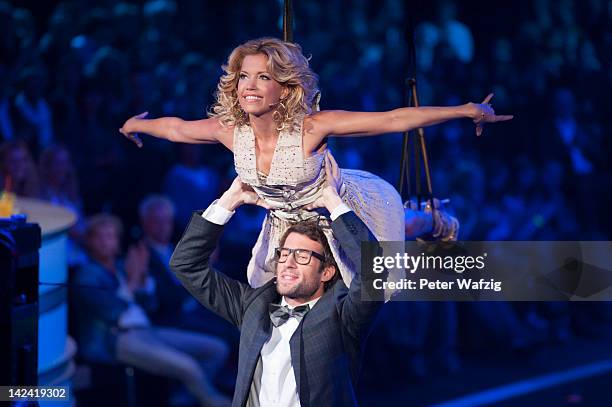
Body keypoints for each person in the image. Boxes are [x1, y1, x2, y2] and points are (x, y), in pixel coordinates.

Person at [121, 37, 512, 289]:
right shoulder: (230, 131)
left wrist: (465, 110)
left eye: (263, 77)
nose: (250, 86)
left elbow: (393, 120)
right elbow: (176, 128)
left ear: (284, 88)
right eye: (244, 77)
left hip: (338, 206)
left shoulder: (311, 128)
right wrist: (137, 124)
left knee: (397, 227)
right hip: (287, 225)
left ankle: (434, 218)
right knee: (273, 290)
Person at [169, 152, 384, 406]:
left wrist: (333, 202)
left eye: (302, 255)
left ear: (327, 272)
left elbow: (373, 270)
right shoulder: (253, 306)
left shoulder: (343, 314)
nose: (288, 263)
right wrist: (230, 200)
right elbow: (185, 264)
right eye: (284, 253)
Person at [72, 213, 231, 407]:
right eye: (101, 236)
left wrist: (144, 281)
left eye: (111, 236)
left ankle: (183, 399)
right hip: (115, 338)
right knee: (188, 367)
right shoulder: (86, 274)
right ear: (89, 241)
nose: (107, 241)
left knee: (216, 349)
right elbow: (112, 311)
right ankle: (216, 402)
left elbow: (150, 306)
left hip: (146, 329)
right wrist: (132, 282)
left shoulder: (122, 267)